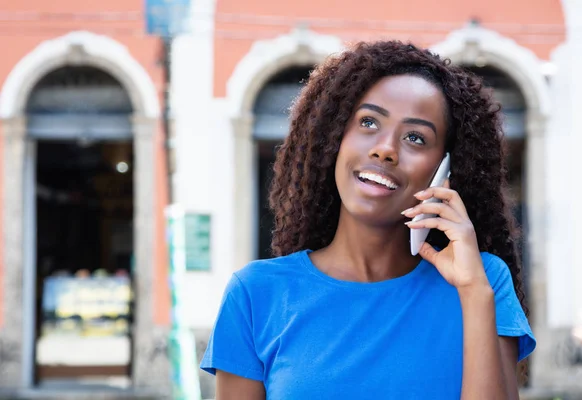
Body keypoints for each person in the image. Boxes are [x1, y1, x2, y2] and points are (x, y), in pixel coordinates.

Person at [200, 41, 536, 399]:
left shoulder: (484, 282)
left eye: (415, 137)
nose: (385, 148)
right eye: (369, 122)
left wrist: (473, 292)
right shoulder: (256, 293)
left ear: (445, 170)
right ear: (335, 139)